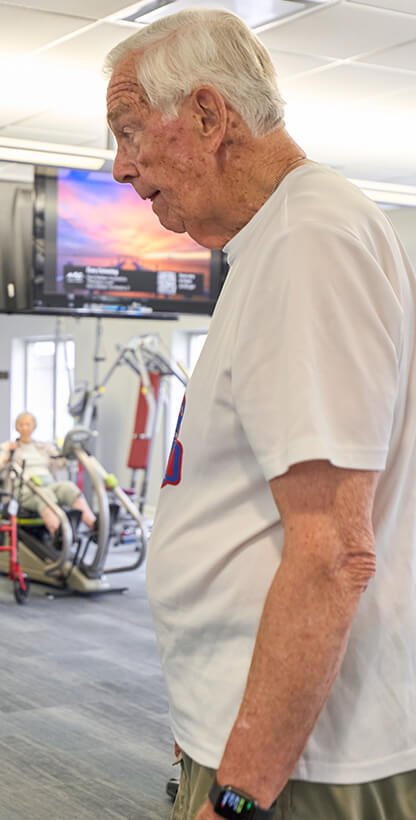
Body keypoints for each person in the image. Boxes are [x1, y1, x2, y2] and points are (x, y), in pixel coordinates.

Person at [104, 9, 416, 819]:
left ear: (209, 116)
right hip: (276, 738)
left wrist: (241, 792)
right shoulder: (277, 238)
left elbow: (333, 555)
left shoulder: (308, 240)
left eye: (131, 131)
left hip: (309, 765)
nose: (118, 167)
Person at [0, 411, 96, 535]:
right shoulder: (9, 447)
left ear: (34, 426)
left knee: (69, 487)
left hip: (49, 484)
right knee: (44, 494)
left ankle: (93, 525)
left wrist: (71, 452)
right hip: (25, 490)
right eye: (21, 425)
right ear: (16, 427)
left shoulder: (44, 447)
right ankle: (58, 532)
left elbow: (61, 463)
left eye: (28, 424)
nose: (25, 428)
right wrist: (7, 455)